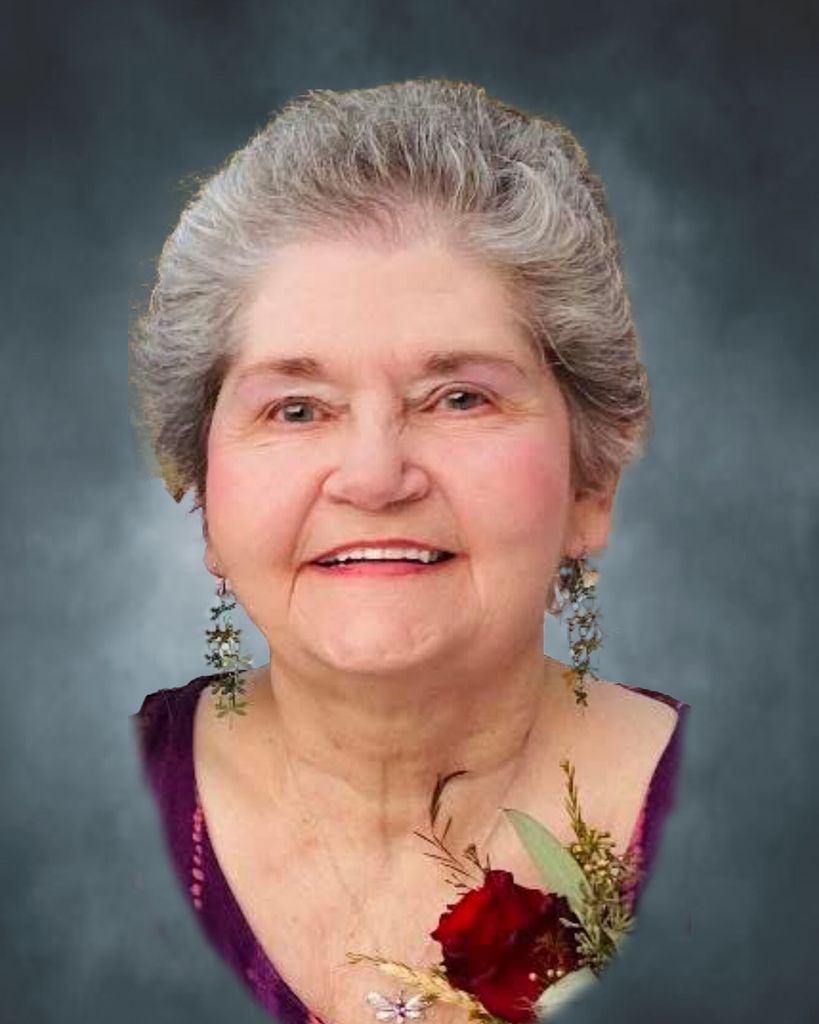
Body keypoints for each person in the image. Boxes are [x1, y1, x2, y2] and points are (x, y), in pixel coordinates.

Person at [129, 79, 690, 1024]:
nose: (375, 476)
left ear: (589, 485)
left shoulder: (760, 831)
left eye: (459, 398)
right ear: (205, 495)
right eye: (296, 409)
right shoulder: (67, 814)